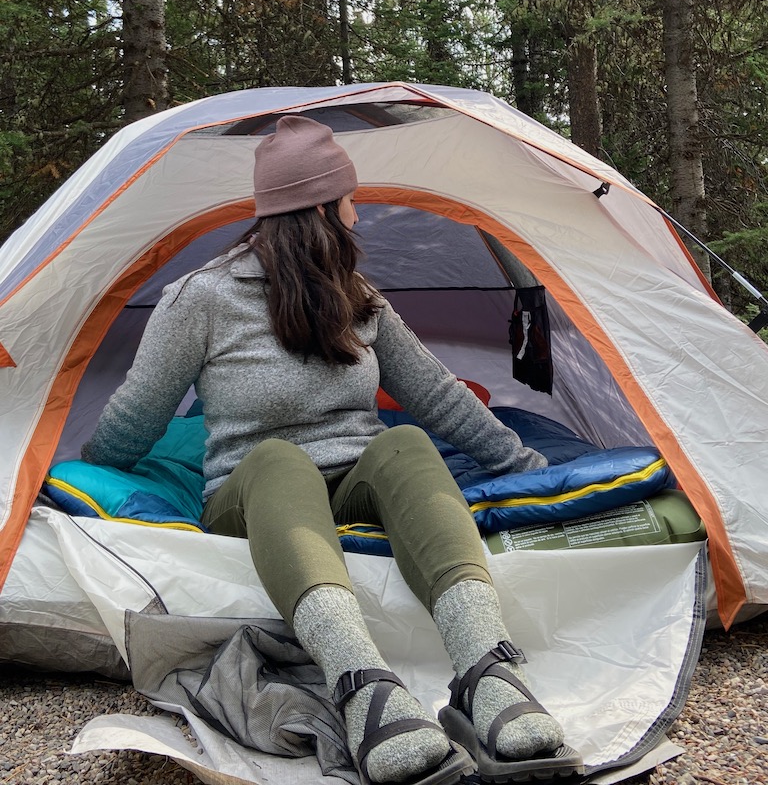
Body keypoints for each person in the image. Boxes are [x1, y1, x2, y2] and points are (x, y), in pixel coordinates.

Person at [82, 116, 582, 785]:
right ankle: (361, 685)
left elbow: (436, 396)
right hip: (252, 490)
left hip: (350, 475)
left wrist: (530, 470)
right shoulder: (201, 299)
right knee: (279, 459)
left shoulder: (359, 298)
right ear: (319, 209)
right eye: (349, 200)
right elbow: (136, 415)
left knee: (404, 440)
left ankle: (486, 673)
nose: (357, 215)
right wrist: (85, 478)